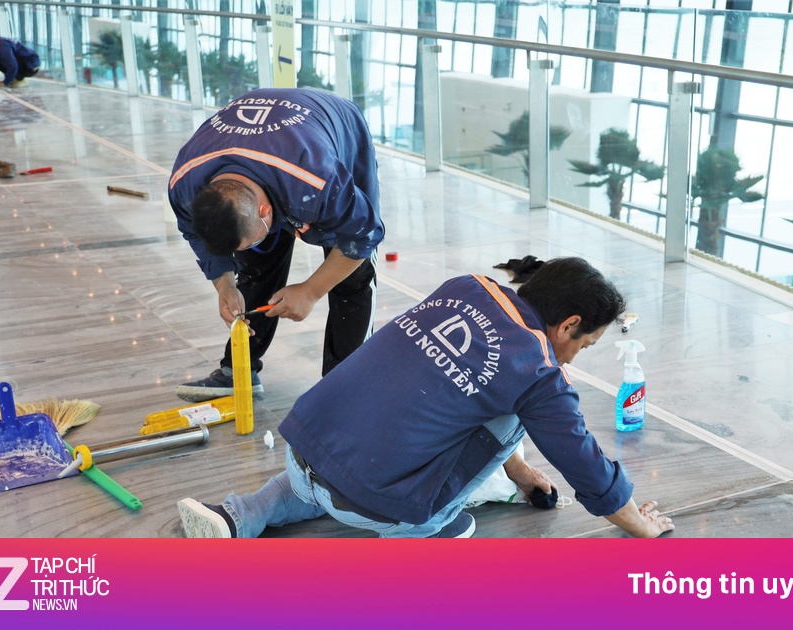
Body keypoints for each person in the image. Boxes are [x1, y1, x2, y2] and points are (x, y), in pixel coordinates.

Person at [177, 257, 675, 538]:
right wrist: (638, 523)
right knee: (525, 407)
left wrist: (521, 473)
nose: (574, 357)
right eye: (584, 345)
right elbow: (582, 462)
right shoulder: (539, 369)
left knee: (331, 466)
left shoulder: (467, 286)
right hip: (371, 502)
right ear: (568, 324)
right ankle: (423, 534)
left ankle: (238, 515)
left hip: (304, 451)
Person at [167, 88, 383, 402]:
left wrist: (311, 291)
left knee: (352, 277)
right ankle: (238, 370)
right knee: (256, 265)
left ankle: (343, 393)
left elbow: (363, 234)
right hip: (274, 156)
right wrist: (225, 286)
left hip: (336, 130)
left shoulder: (317, 178)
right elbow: (196, 236)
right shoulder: (185, 185)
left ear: (266, 210)